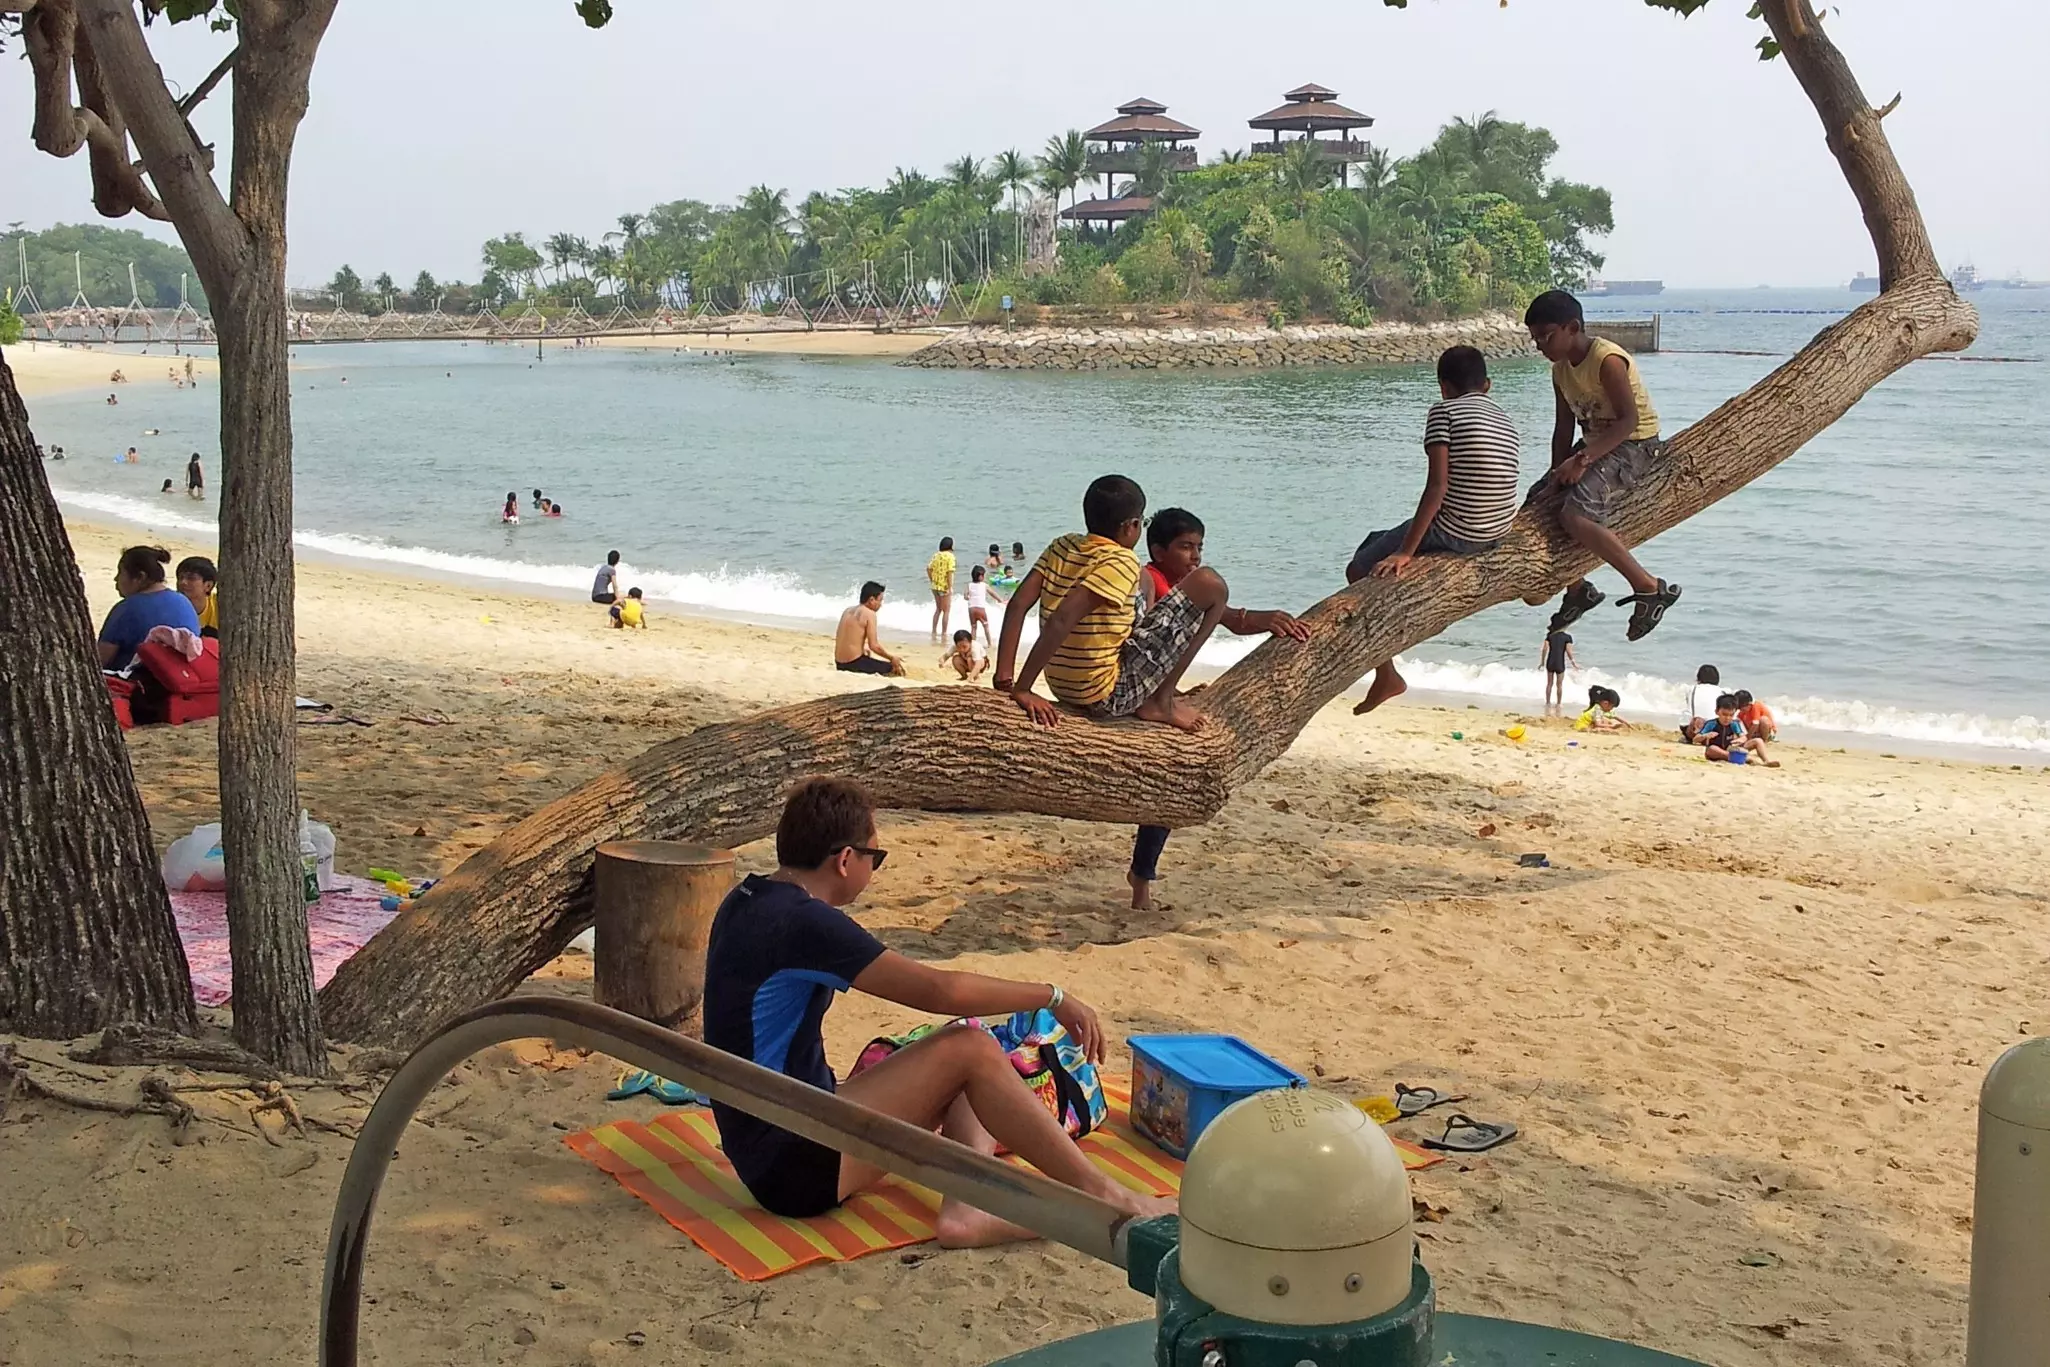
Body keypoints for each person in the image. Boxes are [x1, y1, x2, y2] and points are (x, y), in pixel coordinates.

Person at [702, 777, 1175, 1242]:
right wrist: (1052, 995)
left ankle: (967, 1213)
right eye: (876, 858)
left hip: (774, 1137)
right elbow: (940, 989)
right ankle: (1108, 1198)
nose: (875, 868)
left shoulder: (748, 898)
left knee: (970, 1046)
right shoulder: (805, 923)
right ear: (846, 860)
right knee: (968, 1048)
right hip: (791, 1163)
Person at [1127, 507, 1309, 909]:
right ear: (1158, 550)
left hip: (1160, 692)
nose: (1195, 556)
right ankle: (1141, 880)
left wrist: (1272, 619)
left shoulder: (1184, 586)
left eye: (1199, 547)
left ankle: (1142, 878)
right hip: (1141, 694)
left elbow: (1230, 620)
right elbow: (1139, 645)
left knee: (1170, 788)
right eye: (1185, 547)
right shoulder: (1149, 580)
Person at [1346, 346, 1521, 716]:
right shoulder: (1504, 418)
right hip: (1497, 529)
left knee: (1359, 568)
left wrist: (1406, 553)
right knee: (1375, 539)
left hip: (1459, 529)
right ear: (1486, 385)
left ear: (1443, 386)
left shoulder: (1444, 411)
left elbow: (1437, 487)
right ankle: (1386, 671)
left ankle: (1386, 673)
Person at [996, 476, 1230, 734]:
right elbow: (1062, 619)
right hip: (1107, 695)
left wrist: (1004, 677)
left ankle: (1163, 691)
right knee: (1211, 584)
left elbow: (1018, 604)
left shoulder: (1062, 545)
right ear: (1131, 526)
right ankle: (1161, 702)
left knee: (1141, 582)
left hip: (1062, 684)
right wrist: (1023, 689)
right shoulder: (1122, 561)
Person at [1525, 290, 1682, 641]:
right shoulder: (1560, 371)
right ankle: (1578, 590)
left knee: (1575, 516)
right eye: (1535, 339)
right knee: (1538, 503)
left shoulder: (1607, 360)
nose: (1540, 345)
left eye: (1545, 336)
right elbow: (1562, 428)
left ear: (1573, 327)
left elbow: (1628, 421)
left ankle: (1648, 586)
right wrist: (1555, 476)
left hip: (1635, 444)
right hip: (1596, 444)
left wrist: (1582, 462)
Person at [98, 546, 201, 671]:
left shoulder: (127, 609)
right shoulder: (184, 602)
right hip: (181, 681)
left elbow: (99, 660)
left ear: (140, 577)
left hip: (134, 685)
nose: (116, 579)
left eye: (120, 573)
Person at [835, 581, 905, 676]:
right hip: (854, 664)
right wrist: (892, 658)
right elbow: (874, 646)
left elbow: (846, 637)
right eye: (880, 600)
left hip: (839, 664)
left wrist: (861, 649)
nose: (881, 604)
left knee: (867, 657)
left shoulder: (847, 610)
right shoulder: (869, 614)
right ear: (871, 600)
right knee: (893, 668)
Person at [1696, 693, 1779, 766]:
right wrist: (1705, 735)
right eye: (1724, 714)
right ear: (1717, 712)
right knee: (1712, 749)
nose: (1727, 718)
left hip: (1731, 748)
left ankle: (1766, 761)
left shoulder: (1734, 724)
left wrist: (1740, 740)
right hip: (1717, 751)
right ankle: (1736, 757)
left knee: (1758, 741)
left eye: (1731, 715)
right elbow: (1695, 739)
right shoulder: (1711, 724)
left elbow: (1743, 737)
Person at [176, 555, 219, 638]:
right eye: (180, 578)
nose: (183, 582)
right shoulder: (171, 606)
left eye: (191, 578)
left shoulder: (220, 605)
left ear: (208, 586)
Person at [1681, 664, 1722, 742]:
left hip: (1694, 729)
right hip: (1715, 730)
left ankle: (1691, 738)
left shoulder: (1692, 689)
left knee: (1686, 717)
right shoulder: (1722, 691)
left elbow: (1689, 705)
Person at [926, 537, 957, 642]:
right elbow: (950, 572)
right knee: (946, 611)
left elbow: (928, 568)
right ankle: (944, 632)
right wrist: (950, 587)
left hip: (935, 586)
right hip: (944, 587)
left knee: (938, 609)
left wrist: (932, 580)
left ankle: (934, 631)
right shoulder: (950, 557)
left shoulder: (936, 555)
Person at [1541, 627, 1577, 709]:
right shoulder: (1567, 637)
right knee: (1559, 685)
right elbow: (1568, 651)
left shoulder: (1550, 635)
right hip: (1559, 663)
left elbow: (1544, 649)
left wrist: (1542, 662)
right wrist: (1573, 662)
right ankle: (1559, 703)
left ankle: (1548, 702)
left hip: (1550, 662)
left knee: (1549, 683)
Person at [963, 565, 995, 650]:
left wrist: (967, 597)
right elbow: (992, 593)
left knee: (973, 627)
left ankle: (972, 644)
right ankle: (989, 644)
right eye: (983, 575)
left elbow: (965, 596)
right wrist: (1001, 600)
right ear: (980, 576)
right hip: (980, 609)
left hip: (971, 609)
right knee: (986, 626)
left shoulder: (969, 585)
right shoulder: (984, 585)